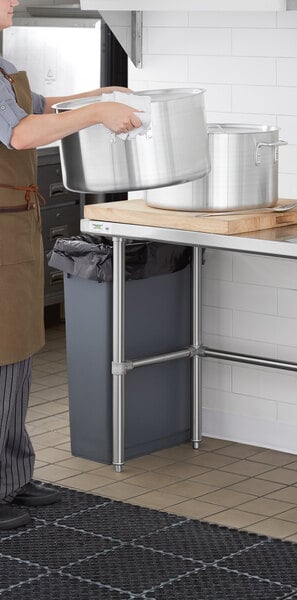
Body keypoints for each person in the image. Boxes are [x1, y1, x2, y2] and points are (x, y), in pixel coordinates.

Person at [0, 0, 143, 530]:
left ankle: (11, 476)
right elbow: (19, 134)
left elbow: (41, 106)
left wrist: (100, 96)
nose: (14, 0)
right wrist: (99, 114)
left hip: (12, 222)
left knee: (17, 351)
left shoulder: (1, 65)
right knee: (3, 350)